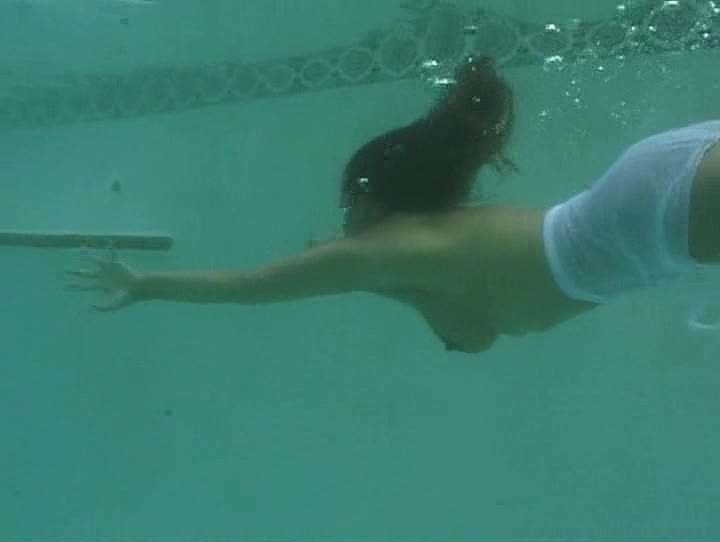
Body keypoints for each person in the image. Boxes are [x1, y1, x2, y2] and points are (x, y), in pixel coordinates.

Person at [65, 56, 720, 354]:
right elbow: (474, 336)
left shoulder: (385, 248)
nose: (344, 222)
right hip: (656, 201)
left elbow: (247, 286)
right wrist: (381, 283)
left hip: (656, 215)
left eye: (347, 205)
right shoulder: (420, 253)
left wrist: (146, 285)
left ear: (370, 197)